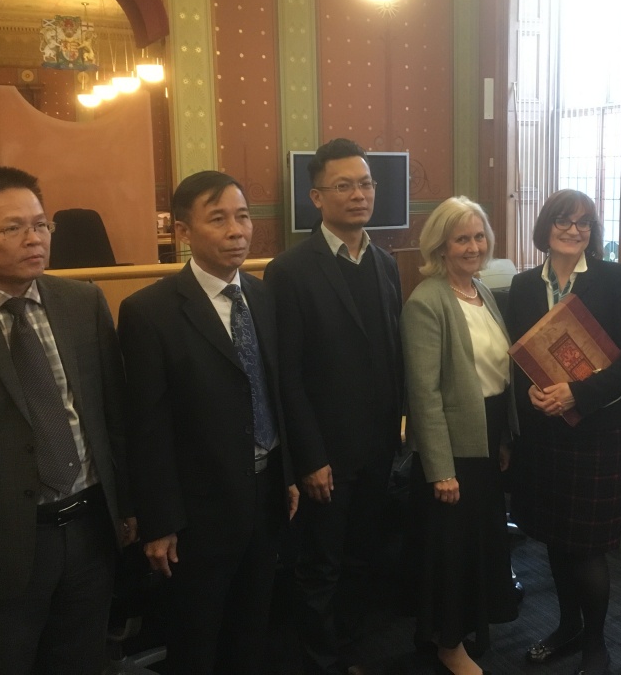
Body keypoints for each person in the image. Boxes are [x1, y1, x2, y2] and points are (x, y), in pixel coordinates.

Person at [0, 167, 134, 674]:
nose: (34, 239)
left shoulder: (82, 302)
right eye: (12, 228)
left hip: (88, 532)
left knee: (82, 660)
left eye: (41, 225)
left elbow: (111, 418)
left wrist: (127, 508)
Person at [118, 171, 297, 674]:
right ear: (183, 232)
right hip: (197, 512)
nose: (237, 230)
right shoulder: (149, 311)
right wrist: (160, 522)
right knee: (196, 637)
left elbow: (274, 392)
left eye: (242, 216)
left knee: (253, 626)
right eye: (218, 219)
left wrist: (287, 473)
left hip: (264, 494)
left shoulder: (262, 296)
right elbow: (147, 427)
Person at [264, 138, 405, 675]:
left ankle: (352, 650)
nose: (358, 195)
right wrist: (309, 457)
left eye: (366, 184)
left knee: (363, 558)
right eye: (343, 186)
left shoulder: (386, 264)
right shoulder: (290, 270)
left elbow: (389, 353)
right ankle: (319, 663)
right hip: (325, 455)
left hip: (377, 448)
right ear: (317, 197)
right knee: (319, 567)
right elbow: (288, 375)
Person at [505, 190, 621, 675]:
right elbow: (519, 356)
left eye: (585, 223)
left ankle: (596, 644)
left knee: (587, 547)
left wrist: (579, 394)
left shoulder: (617, 280)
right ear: (545, 226)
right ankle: (567, 627)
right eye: (564, 222)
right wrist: (530, 392)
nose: (574, 231)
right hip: (544, 433)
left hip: (598, 432)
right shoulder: (525, 284)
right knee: (553, 537)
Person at [401, 197, 519, 675]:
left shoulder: (481, 290)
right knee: (450, 550)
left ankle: (465, 631)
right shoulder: (427, 301)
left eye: (479, 236)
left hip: (488, 435)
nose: (474, 246)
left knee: (478, 543)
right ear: (441, 246)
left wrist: (505, 438)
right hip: (451, 445)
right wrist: (441, 469)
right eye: (462, 238)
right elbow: (423, 394)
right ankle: (448, 642)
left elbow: (497, 371)